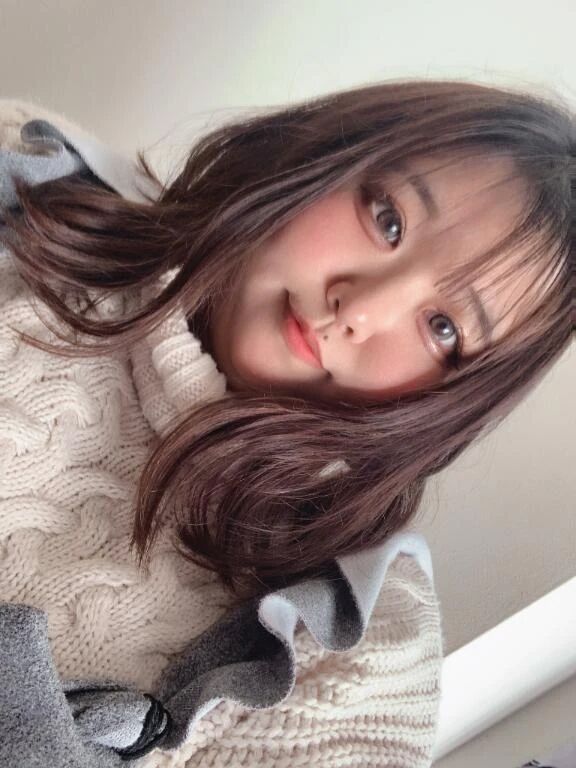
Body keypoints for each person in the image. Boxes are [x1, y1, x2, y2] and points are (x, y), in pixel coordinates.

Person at [0, 80, 573, 765]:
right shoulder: (37, 181)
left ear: (458, 399)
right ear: (325, 158)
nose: (360, 308)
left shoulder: (362, 656)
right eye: (388, 220)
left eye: (443, 328)